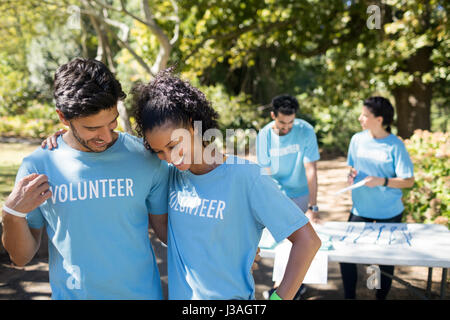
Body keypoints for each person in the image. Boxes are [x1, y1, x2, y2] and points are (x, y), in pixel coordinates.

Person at [129, 69, 321, 300]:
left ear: (192, 124)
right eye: (159, 151)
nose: (170, 158)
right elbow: (171, 231)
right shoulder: (169, 176)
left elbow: (307, 241)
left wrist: (278, 299)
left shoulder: (247, 178)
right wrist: (229, 252)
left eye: (173, 145)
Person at [1, 58, 169, 299]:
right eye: (92, 129)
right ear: (63, 117)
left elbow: (167, 231)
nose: (106, 137)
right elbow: (20, 257)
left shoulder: (145, 157)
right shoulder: (38, 166)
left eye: (112, 123)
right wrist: (11, 215)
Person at [340, 96, 415, 300]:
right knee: (345, 255)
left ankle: (379, 298)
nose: (360, 118)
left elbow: (408, 181)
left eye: (365, 115)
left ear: (379, 119)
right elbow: (352, 168)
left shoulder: (395, 145)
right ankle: (349, 297)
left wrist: (382, 181)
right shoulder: (357, 139)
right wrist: (351, 176)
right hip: (360, 210)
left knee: (383, 259)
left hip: (388, 213)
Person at [256, 94, 321, 299]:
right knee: (278, 243)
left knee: (299, 242)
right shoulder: (264, 135)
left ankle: (286, 290)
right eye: (282, 122)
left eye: (291, 122)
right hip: (275, 196)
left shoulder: (305, 130)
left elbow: (311, 169)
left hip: (300, 194)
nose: (287, 127)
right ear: (273, 115)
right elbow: (264, 175)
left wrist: (313, 207)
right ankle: (284, 291)